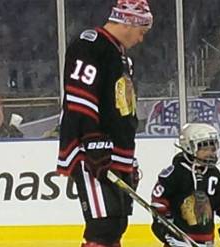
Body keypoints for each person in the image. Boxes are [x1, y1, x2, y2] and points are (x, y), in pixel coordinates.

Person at [56, 1, 153, 246]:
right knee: (103, 226)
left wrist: (128, 157)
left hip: (115, 150)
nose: (141, 39)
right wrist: (92, 141)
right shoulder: (90, 46)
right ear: (129, 22)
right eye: (142, 31)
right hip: (92, 148)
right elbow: (80, 97)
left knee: (116, 223)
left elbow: (121, 110)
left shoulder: (119, 55)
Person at [150, 123, 220, 247]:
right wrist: (162, 224)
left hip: (206, 241)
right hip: (179, 241)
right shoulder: (177, 172)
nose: (211, 153)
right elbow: (159, 199)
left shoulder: (213, 173)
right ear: (189, 147)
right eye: (204, 149)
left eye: (213, 149)